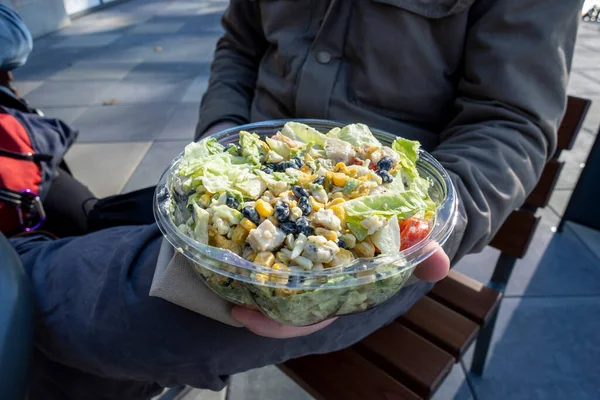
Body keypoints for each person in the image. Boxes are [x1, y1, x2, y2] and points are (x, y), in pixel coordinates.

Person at [8, 0, 583, 399]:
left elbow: (510, 122)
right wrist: (219, 146)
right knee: (95, 316)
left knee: (57, 310)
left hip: (371, 260)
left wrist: (430, 226)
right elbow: (238, 46)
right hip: (245, 190)